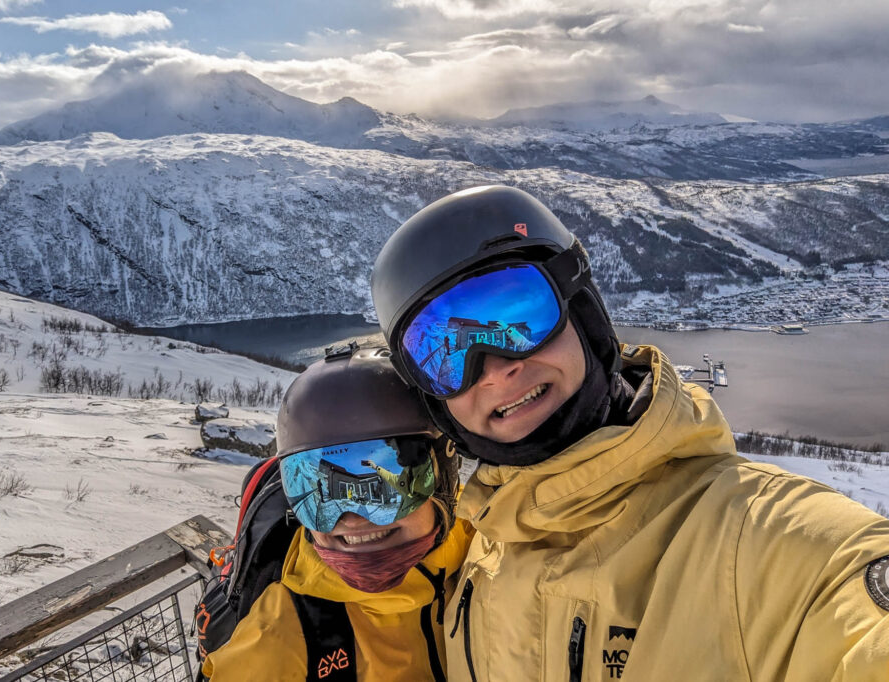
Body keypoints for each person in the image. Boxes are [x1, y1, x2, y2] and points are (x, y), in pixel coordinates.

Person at [369, 185, 889, 681]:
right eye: (445, 357)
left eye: (520, 319)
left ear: (582, 313)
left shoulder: (764, 540)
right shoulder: (480, 542)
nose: (495, 370)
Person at [201, 346, 471, 681]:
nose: (352, 520)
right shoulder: (276, 640)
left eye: (386, 489)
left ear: (444, 482)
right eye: (319, 496)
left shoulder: (491, 541)